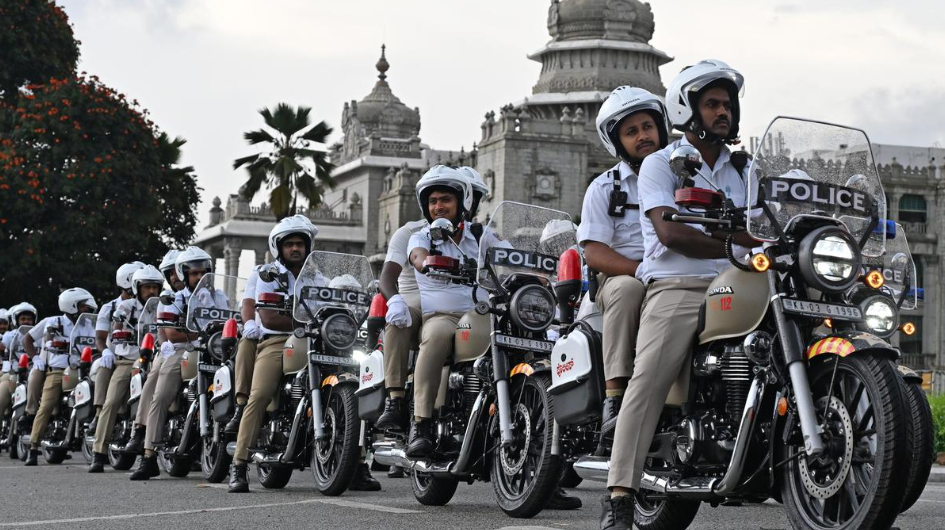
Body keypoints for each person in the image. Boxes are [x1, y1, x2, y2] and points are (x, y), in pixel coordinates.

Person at [600, 60, 756, 529]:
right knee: (647, 380)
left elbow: (769, 223)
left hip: (740, 279)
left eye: (727, 104)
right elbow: (669, 233)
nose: (723, 112)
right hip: (678, 283)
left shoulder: (747, 170)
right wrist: (736, 243)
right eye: (712, 103)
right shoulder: (659, 163)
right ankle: (620, 496)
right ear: (687, 109)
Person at [578, 87, 670, 438]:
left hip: (679, 273)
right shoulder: (605, 188)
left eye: (647, 127)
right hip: (624, 276)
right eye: (631, 132)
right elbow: (594, 252)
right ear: (618, 143)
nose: (643, 136)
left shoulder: (687, 176)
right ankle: (615, 398)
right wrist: (639, 269)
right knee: (629, 291)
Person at [228, 217, 317, 492]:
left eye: (300, 243)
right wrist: (308, 323)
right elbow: (269, 317)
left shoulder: (318, 276)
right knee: (261, 394)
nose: (295, 248)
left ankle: (356, 463)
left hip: (318, 339)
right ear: (279, 247)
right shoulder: (268, 273)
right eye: (289, 244)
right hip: (277, 341)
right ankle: (239, 465)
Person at [404, 166, 480, 458]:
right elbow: (417, 257)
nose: (438, 206)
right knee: (435, 336)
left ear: (462, 203)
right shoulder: (423, 236)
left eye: (445, 200)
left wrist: (537, 274)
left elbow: (509, 257)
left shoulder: (482, 235)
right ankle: (421, 423)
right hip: (443, 316)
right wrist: (428, 263)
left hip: (482, 313)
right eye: (433, 201)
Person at [131, 247, 223, 480]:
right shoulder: (171, 299)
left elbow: (229, 321)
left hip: (214, 349)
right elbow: (171, 334)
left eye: (204, 272)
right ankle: (148, 454)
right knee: (160, 394)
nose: (200, 277)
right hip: (182, 351)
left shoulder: (219, 296)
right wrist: (200, 335)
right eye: (194, 273)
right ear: (184, 275)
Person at [89, 265, 164, 473]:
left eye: (154, 287)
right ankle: (99, 452)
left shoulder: (163, 306)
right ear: (137, 288)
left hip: (156, 358)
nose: (151, 292)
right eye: (147, 287)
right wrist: (119, 333)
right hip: (129, 359)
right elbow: (115, 329)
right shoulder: (125, 307)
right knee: (111, 401)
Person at [22, 288, 97, 466]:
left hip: (84, 369)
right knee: (47, 405)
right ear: (71, 306)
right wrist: (35, 358)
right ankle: (33, 447)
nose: (87, 310)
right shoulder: (51, 322)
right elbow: (27, 339)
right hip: (58, 370)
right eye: (83, 306)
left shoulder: (89, 325)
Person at [122, 249, 182, 455]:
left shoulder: (209, 296)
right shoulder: (166, 298)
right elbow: (162, 329)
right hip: (172, 350)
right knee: (155, 381)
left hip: (205, 348)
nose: (175, 276)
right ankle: (140, 433)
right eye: (171, 272)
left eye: (179, 271)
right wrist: (165, 342)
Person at [89, 262, 144, 434]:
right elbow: (100, 337)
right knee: (104, 366)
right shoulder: (109, 307)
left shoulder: (149, 305)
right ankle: (99, 413)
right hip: (116, 356)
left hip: (143, 355)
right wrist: (105, 350)